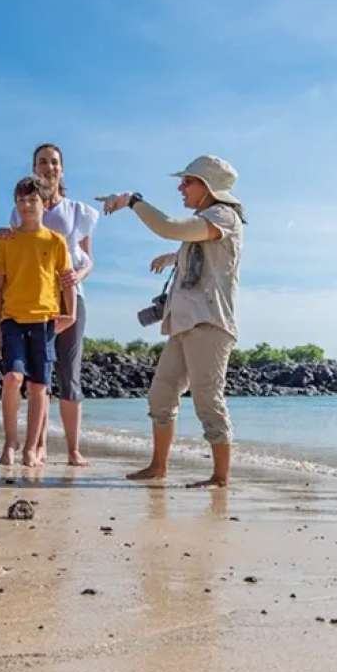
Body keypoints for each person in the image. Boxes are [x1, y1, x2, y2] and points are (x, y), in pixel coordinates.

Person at [101, 155, 245, 487]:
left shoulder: (223, 216)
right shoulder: (208, 221)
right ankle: (158, 467)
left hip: (209, 325)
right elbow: (193, 248)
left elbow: (169, 227)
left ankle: (221, 478)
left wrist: (132, 201)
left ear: (208, 187)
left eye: (187, 181)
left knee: (208, 399)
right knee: (161, 395)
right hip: (183, 325)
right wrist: (173, 257)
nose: (181, 187)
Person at [2, 143, 100, 466]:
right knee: (37, 372)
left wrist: (77, 276)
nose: (49, 167)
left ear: (62, 169)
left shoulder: (78, 212)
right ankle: (38, 445)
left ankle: (73, 449)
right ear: (34, 168)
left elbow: (88, 258)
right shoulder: (22, 209)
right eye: (42, 162)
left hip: (70, 298)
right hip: (32, 301)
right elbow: (16, 246)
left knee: (68, 372)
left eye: (54, 162)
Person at [0, 176, 75, 467]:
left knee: (39, 387)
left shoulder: (56, 241)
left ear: (44, 203)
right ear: (16, 204)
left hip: (44, 320)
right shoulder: (7, 240)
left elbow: (67, 282)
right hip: (12, 318)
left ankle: (31, 448)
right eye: (21, 200)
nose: (27, 205)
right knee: (12, 378)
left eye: (32, 200)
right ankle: (9, 442)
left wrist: (72, 313)